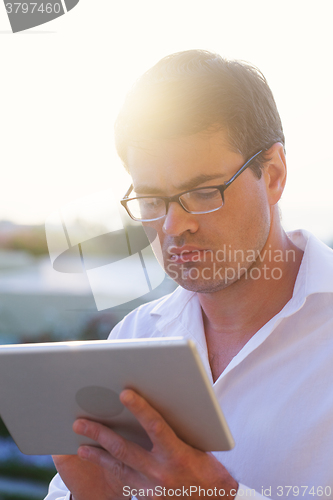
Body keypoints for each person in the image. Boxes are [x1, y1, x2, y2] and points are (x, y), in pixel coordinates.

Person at [45, 50, 333, 500]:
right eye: (152, 199)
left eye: (202, 192)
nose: (172, 226)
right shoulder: (131, 339)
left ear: (273, 174)